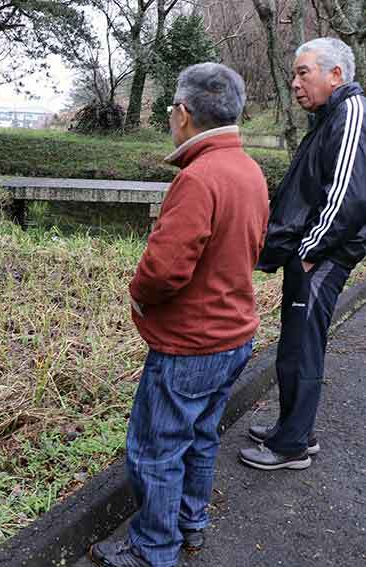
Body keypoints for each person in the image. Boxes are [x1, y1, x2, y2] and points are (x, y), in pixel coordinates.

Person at [90, 63, 269, 567]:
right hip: (235, 334)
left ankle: (153, 550)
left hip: (191, 342)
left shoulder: (200, 177)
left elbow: (164, 270)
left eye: (172, 109)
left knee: (156, 449)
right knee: (201, 438)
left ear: (184, 114)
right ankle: (190, 526)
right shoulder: (248, 170)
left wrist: (139, 296)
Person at [240, 38, 366, 471]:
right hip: (311, 254)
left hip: (322, 256)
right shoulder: (329, 116)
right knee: (294, 343)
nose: (294, 83)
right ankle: (293, 428)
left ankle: (292, 445)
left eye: (303, 73)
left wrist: (309, 252)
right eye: (294, 74)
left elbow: (348, 196)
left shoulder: (350, 113)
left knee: (304, 346)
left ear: (335, 75)